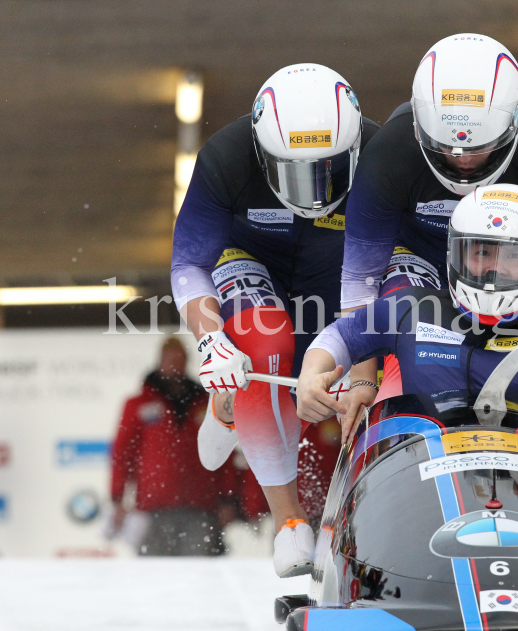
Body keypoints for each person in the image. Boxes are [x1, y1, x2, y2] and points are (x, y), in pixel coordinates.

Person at [170, 63, 379, 577]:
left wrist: (364, 369)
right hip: (248, 258)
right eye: (294, 171)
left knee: (367, 367)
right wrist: (210, 339)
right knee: (265, 344)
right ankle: (290, 523)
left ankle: (231, 406)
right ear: (263, 156)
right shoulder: (224, 157)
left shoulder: (383, 155)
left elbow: (395, 270)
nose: (312, 190)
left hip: (339, 272)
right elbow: (189, 262)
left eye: (327, 170)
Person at [338, 34, 518, 421]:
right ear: (419, 130)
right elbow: (361, 280)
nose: (463, 162)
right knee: (407, 323)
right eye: (448, 149)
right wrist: (363, 381)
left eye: (480, 149)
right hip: (418, 257)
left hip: (511, 267)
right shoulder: (386, 158)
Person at [297, 184, 518, 448]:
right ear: (456, 252)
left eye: (515, 255)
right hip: (424, 480)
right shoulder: (414, 308)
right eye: (481, 252)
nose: (495, 267)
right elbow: (340, 336)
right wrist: (311, 377)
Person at [109, 338, 234, 556]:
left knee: (200, 573)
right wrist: (118, 499)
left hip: (200, 507)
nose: (175, 365)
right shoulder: (138, 404)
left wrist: (228, 499)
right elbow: (123, 453)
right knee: (155, 575)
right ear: (160, 361)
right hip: (153, 507)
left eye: (180, 360)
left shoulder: (206, 402)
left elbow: (224, 449)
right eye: (170, 359)